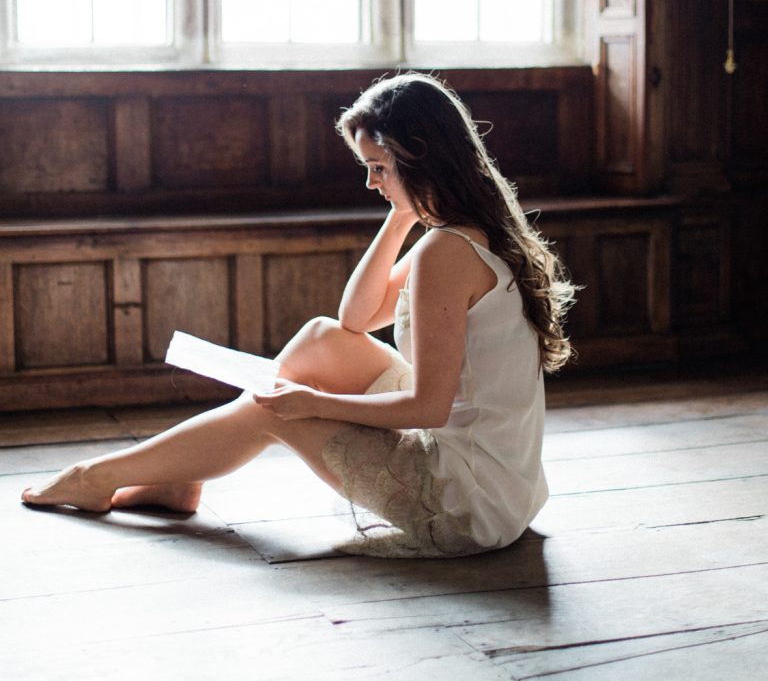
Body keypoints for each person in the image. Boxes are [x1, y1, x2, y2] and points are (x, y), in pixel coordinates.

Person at [21, 73, 576, 558]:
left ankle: (103, 476)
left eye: (379, 168)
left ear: (419, 153)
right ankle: (176, 475)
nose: (370, 183)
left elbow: (428, 408)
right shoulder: (462, 235)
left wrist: (311, 404)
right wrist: (402, 215)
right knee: (320, 338)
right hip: (506, 486)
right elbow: (355, 319)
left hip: (466, 503)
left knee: (275, 409)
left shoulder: (447, 253)